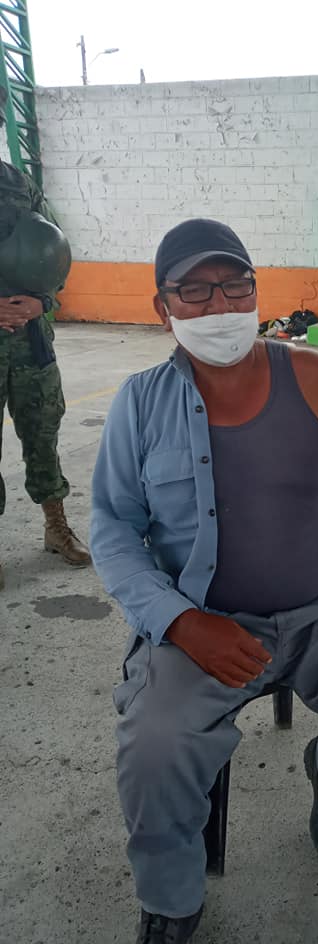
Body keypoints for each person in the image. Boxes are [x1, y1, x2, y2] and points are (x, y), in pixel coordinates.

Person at [90, 218, 318, 944]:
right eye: (194, 291)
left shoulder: (314, 378)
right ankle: (170, 904)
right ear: (162, 308)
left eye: (235, 285)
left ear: (257, 292)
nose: (219, 305)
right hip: (206, 620)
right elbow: (114, 529)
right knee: (154, 748)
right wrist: (180, 623)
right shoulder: (140, 404)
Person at [0, 86, 90, 589]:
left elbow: (56, 251)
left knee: (43, 432)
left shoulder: (18, 183)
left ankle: (56, 526)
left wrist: (43, 300)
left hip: (30, 338)